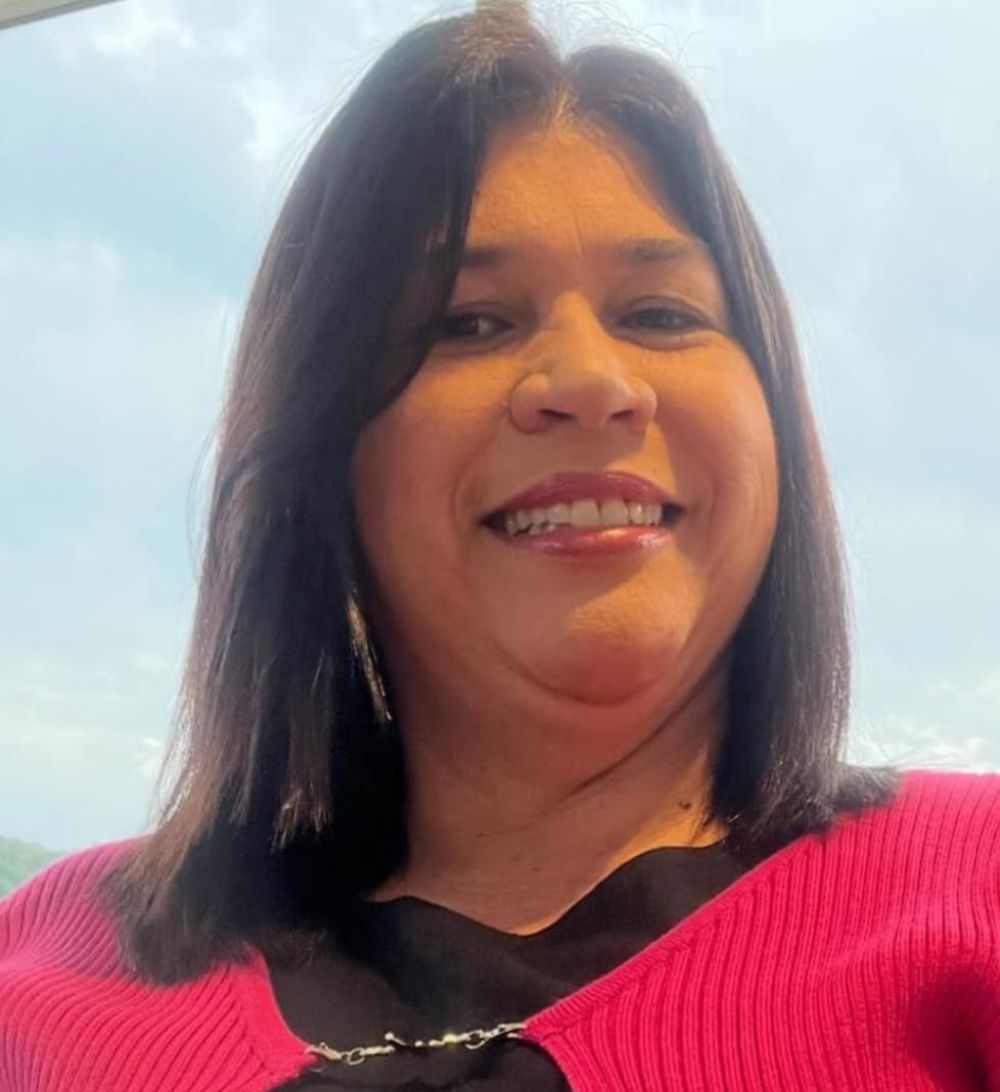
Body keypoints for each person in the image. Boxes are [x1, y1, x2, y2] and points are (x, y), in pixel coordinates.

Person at [3, 6, 1000, 1091]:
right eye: (467, 322)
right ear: (325, 448)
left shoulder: (974, 887)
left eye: (661, 313)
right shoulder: (48, 955)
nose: (589, 383)